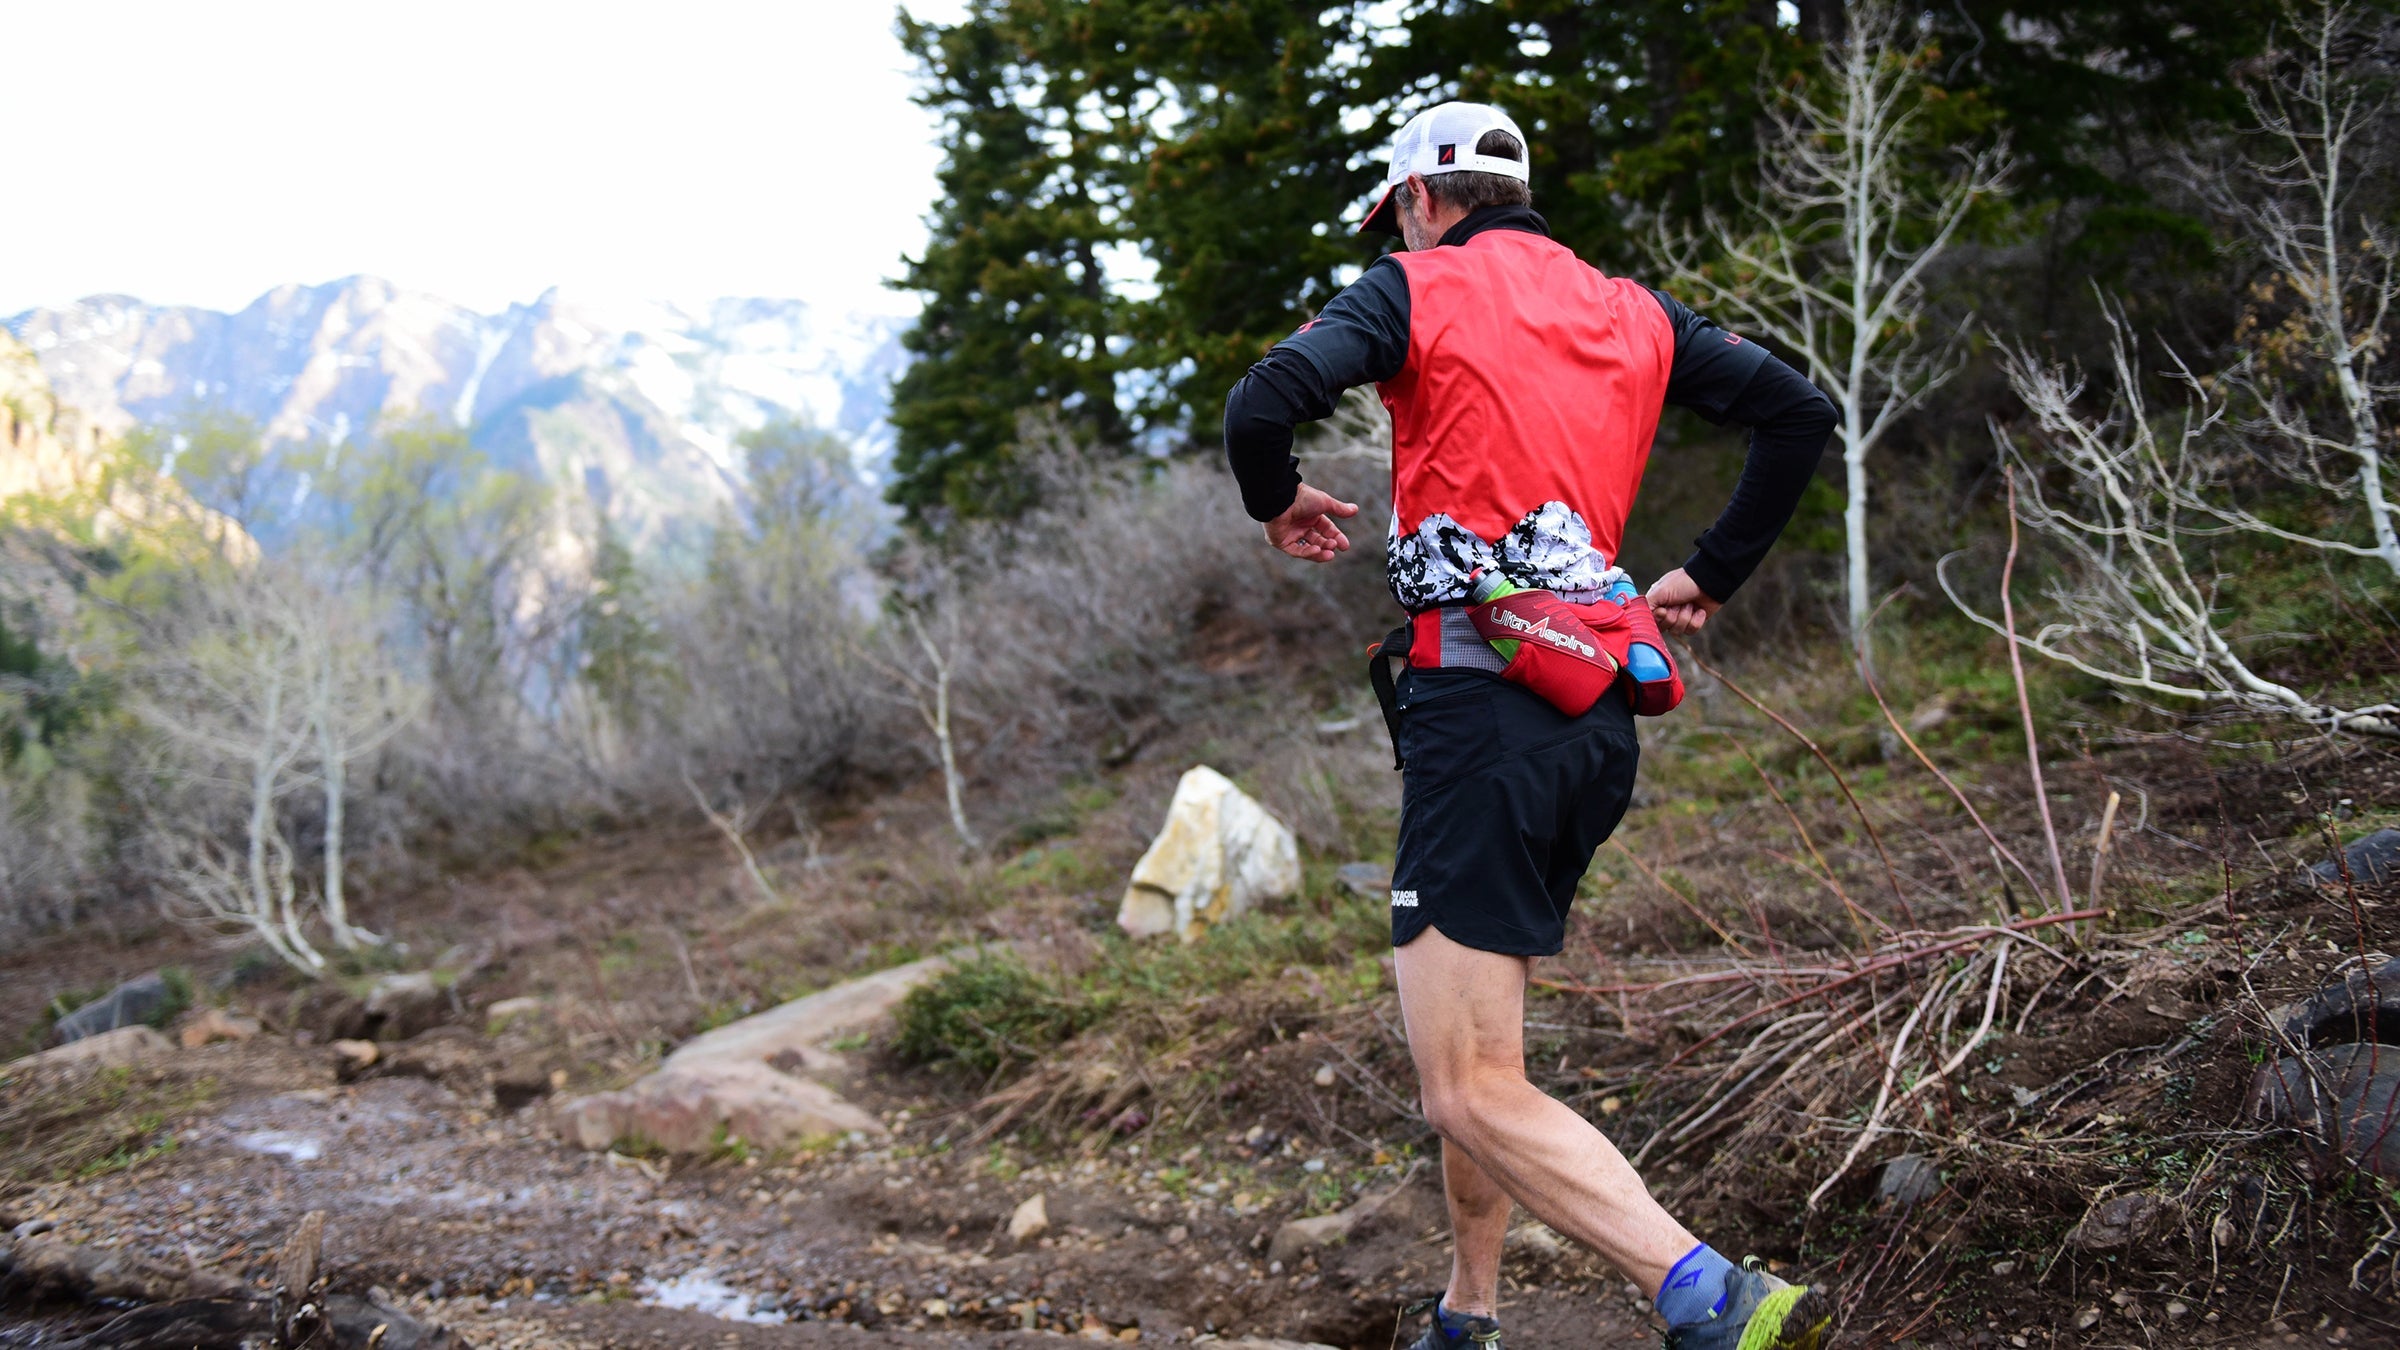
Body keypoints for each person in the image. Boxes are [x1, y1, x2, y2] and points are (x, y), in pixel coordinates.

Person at [1221, 103, 1839, 1350]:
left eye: (1398, 212)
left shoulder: (1412, 287)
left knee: (1464, 1083)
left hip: (1481, 710)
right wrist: (1711, 574)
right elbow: (1799, 415)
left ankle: (1713, 1299)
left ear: (1418, 200)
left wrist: (1279, 499)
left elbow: (1261, 402)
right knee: (1483, 1049)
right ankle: (1470, 1311)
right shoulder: (1632, 308)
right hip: (1592, 714)